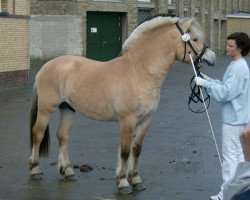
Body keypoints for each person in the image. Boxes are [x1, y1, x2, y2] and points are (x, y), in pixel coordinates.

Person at [194, 32, 250, 200]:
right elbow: (227, 86)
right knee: (239, 158)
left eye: (230, 46)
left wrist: (206, 85)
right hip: (240, 118)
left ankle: (226, 194)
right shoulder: (238, 64)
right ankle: (237, 191)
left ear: (239, 48)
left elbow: (225, 93)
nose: (227, 48)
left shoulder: (238, 67)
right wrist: (209, 80)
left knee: (229, 159)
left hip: (233, 120)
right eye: (227, 45)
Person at [223, 122, 250, 200]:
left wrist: (248, 160)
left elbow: (231, 195)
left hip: (231, 121)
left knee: (229, 155)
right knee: (238, 154)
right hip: (240, 121)